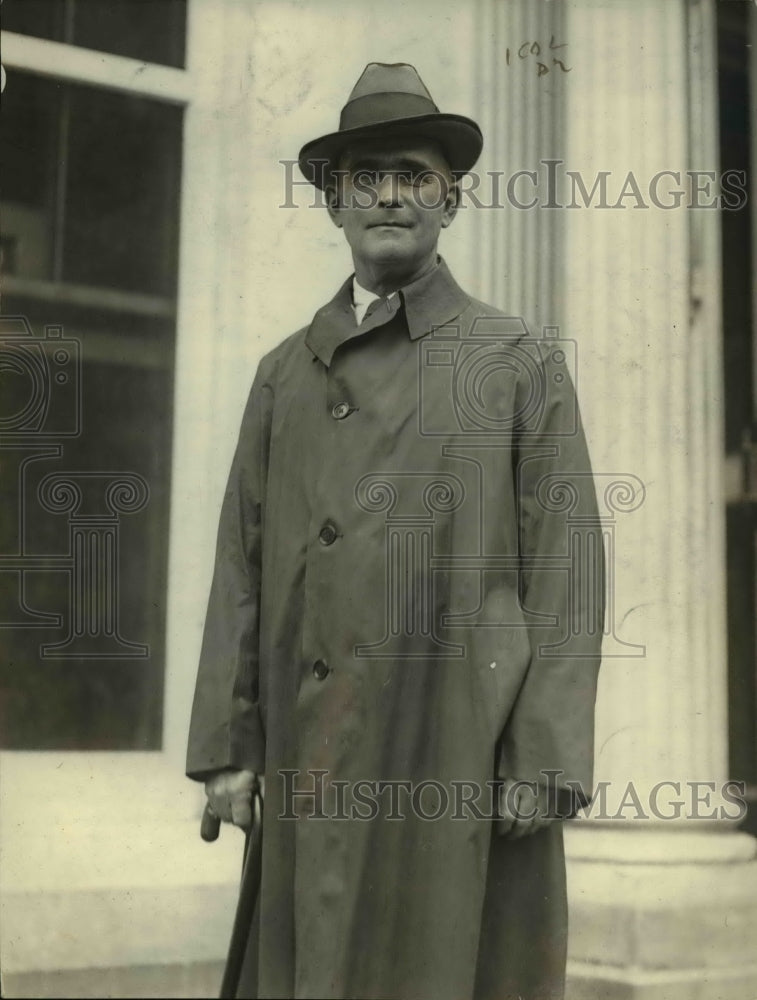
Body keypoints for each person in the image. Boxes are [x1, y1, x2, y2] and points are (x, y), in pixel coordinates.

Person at [187, 62, 604, 1000]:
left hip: (455, 749)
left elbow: (567, 575)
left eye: (412, 174)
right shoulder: (282, 373)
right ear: (334, 201)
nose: (387, 195)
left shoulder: (516, 360)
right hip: (310, 746)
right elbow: (239, 566)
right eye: (364, 176)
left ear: (449, 199)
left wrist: (542, 756)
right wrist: (226, 748)